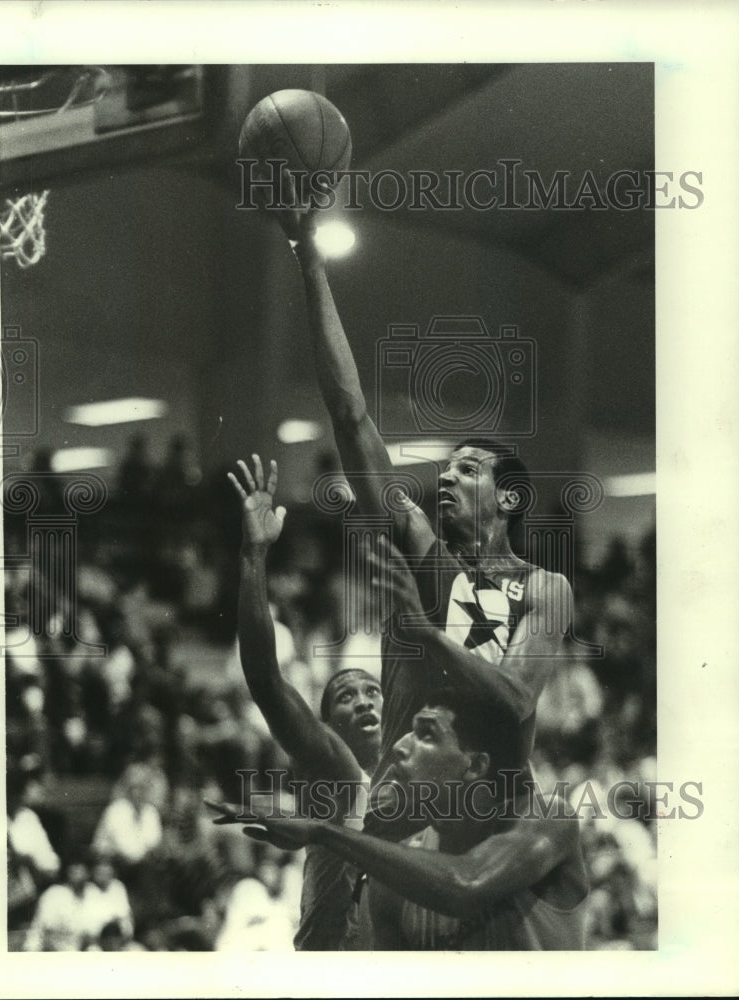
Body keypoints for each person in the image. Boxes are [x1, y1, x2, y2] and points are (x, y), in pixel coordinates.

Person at [271, 198, 572, 837]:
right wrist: (310, 261)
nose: (446, 478)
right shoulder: (422, 549)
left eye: (468, 470)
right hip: (397, 822)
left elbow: (515, 699)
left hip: (488, 832)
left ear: (509, 500)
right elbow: (349, 413)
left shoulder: (544, 589)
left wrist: (424, 630)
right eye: (446, 467)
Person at [212, 686, 588, 950]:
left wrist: (323, 833)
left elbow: (466, 883)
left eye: (425, 734)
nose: (400, 745)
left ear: (473, 765)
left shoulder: (547, 818)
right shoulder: (390, 880)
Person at [223, 454, 383, 949]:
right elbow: (267, 683)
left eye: (372, 690)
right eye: (345, 695)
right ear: (324, 725)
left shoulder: (411, 776)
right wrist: (254, 556)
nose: (362, 700)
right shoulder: (341, 770)